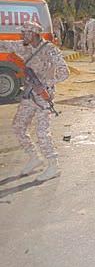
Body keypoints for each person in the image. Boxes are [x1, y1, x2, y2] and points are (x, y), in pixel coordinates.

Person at [0, 21, 69, 180]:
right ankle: (34, 157)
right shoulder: (24, 46)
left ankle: (53, 165)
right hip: (29, 94)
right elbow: (4, 44)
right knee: (18, 126)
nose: (22, 35)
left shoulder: (50, 50)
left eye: (25, 32)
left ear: (33, 34)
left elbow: (64, 72)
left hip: (44, 96)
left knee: (41, 131)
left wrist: (45, 84)